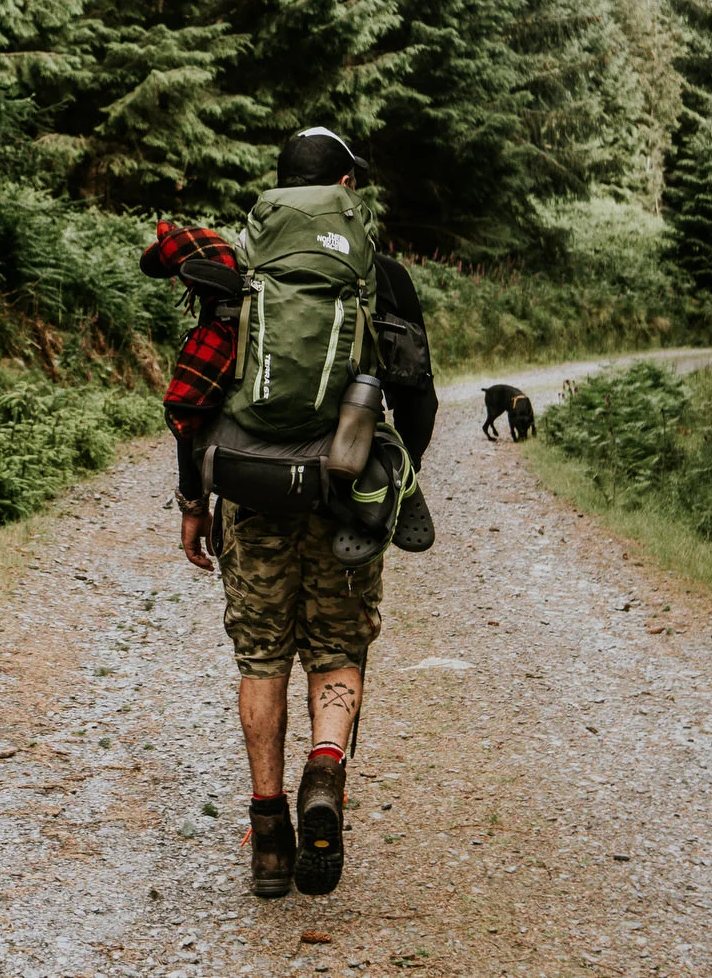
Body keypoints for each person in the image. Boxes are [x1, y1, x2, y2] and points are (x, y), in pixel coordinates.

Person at [161, 128, 438, 898]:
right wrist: (390, 480)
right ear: (346, 184)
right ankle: (324, 770)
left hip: (250, 493)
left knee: (261, 656)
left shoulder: (242, 265)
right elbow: (419, 396)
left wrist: (194, 500)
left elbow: (198, 400)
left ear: (280, 186)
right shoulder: (377, 273)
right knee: (336, 646)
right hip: (343, 492)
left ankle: (270, 833)